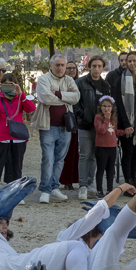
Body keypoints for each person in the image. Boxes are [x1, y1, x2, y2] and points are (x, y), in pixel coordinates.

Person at [34, 54, 81, 203]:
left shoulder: (69, 80)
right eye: (57, 65)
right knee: (48, 158)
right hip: (48, 125)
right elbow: (45, 98)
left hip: (66, 126)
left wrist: (58, 94)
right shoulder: (43, 79)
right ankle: (45, 190)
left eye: (62, 65)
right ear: (51, 65)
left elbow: (76, 97)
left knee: (60, 159)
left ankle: (54, 187)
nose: (60, 68)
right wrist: (66, 96)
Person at [0, 73, 34, 192]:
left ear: (15, 84)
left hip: (18, 136)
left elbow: (30, 109)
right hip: (2, 135)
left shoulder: (20, 97)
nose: (7, 87)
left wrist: (21, 94)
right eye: (5, 85)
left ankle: (15, 192)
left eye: (10, 84)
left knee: (17, 167)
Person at [107, 52, 136, 185]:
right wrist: (126, 124)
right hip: (126, 123)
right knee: (128, 153)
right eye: (129, 61)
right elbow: (118, 103)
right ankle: (128, 182)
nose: (131, 63)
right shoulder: (122, 79)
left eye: (133, 61)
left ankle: (134, 181)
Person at [75, 56, 110, 199]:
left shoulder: (105, 85)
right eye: (94, 66)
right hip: (85, 124)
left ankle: (90, 182)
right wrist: (83, 115)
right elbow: (75, 103)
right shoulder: (80, 83)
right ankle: (82, 185)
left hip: (99, 127)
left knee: (95, 156)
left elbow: (108, 104)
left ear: (103, 68)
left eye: (99, 66)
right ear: (89, 67)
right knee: (84, 155)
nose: (96, 69)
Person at [59, 61, 81, 192]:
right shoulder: (62, 83)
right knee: (63, 152)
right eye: (69, 68)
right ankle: (63, 179)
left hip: (77, 120)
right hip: (64, 119)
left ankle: (72, 180)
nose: (72, 70)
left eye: (74, 68)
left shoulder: (80, 83)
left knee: (74, 152)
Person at [92, 97, 120, 196]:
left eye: (109, 106)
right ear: (100, 107)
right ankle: (99, 190)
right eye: (104, 106)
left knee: (110, 169)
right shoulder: (98, 117)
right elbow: (102, 130)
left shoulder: (114, 118)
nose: (107, 108)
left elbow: (115, 131)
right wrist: (107, 118)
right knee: (100, 169)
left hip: (112, 147)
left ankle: (110, 190)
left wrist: (125, 131)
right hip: (101, 147)